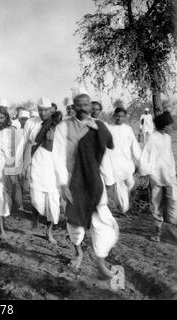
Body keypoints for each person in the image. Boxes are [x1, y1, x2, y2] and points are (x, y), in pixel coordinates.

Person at [53, 92, 118, 279]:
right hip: (72, 180)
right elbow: (57, 156)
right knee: (75, 221)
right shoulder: (64, 127)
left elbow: (106, 154)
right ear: (73, 107)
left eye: (86, 104)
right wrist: (63, 184)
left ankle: (101, 262)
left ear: (91, 106)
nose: (83, 108)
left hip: (94, 179)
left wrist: (109, 182)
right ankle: (78, 253)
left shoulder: (98, 127)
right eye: (79, 105)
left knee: (102, 220)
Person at [27, 97, 63, 243]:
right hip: (37, 165)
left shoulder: (60, 128)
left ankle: (48, 232)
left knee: (53, 204)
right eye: (41, 110)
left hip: (53, 169)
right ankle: (35, 218)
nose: (44, 113)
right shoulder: (35, 125)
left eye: (47, 111)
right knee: (37, 199)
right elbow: (30, 144)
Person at [0, 106, 24, 238]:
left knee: (12, 200)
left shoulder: (12, 133)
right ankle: (1, 230)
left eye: (2, 117)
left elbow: (17, 153)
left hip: (9, 172)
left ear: (6, 118)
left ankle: (4, 220)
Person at [139, 111, 177, 242]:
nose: (171, 127)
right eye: (169, 125)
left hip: (169, 176)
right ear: (163, 125)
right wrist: (147, 175)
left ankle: (172, 230)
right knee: (156, 205)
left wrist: (173, 171)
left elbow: (170, 156)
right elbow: (145, 157)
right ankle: (158, 233)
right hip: (156, 177)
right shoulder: (152, 138)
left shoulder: (167, 138)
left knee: (173, 202)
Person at [106, 107, 141, 213]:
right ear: (114, 116)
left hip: (127, 162)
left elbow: (134, 146)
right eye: (117, 116)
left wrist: (140, 161)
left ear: (125, 117)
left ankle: (124, 202)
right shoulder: (109, 128)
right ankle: (122, 207)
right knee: (119, 190)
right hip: (114, 162)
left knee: (130, 183)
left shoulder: (128, 129)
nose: (119, 118)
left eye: (122, 116)